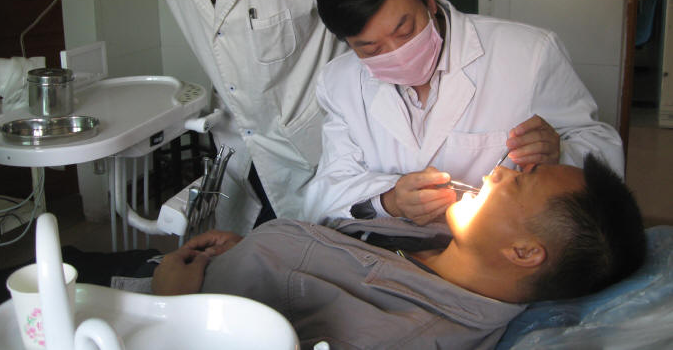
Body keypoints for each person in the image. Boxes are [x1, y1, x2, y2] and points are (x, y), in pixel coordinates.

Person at [147, 156, 646, 349]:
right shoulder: (439, 247)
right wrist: (254, 253)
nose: (499, 171)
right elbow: (333, 253)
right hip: (215, 266)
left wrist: (170, 309)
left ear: (523, 252)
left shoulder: (399, 336)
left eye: (517, 183)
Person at [112, 0, 353, 234]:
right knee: (246, 251)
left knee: (322, 254)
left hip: (321, 145)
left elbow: (373, 35)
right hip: (238, 142)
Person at [301, 0, 624, 224]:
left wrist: (559, 154)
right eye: (371, 49)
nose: (397, 53)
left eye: (405, 31)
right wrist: (391, 201)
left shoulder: (529, 54)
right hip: (397, 252)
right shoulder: (339, 83)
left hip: (499, 243)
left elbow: (604, 152)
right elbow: (325, 193)